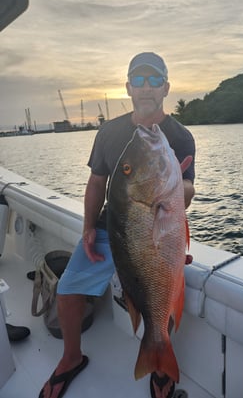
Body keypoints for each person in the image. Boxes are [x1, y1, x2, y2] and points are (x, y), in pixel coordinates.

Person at [39, 52, 195, 398]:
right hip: (113, 229)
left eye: (154, 80)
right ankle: (71, 357)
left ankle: (158, 364)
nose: (146, 88)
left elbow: (188, 190)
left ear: (166, 87)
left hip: (157, 231)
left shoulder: (180, 137)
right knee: (67, 291)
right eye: (138, 80)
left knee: (160, 287)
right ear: (128, 87)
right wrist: (88, 227)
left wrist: (180, 188)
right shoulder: (110, 131)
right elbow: (97, 182)